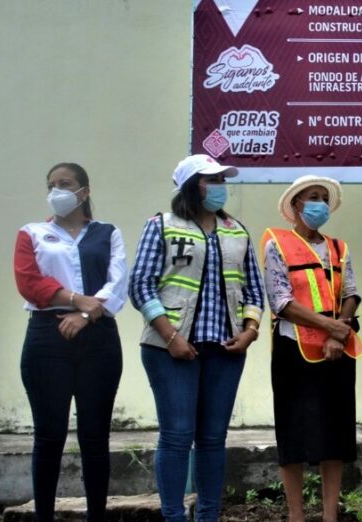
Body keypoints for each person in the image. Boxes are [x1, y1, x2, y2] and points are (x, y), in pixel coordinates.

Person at [129, 154, 265, 522]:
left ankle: (208, 516)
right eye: (212, 180)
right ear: (192, 186)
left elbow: (254, 290)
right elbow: (140, 286)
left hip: (225, 350)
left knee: (212, 440)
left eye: (223, 179)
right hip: (170, 350)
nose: (221, 187)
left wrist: (250, 332)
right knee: (176, 436)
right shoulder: (162, 225)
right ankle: (173, 517)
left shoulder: (237, 231)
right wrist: (170, 335)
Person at [13, 163, 127, 522]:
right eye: (51, 185)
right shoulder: (31, 233)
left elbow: (118, 282)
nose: (57, 191)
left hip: (99, 339)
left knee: (95, 438)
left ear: (84, 191)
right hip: (47, 338)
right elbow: (29, 282)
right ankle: (43, 517)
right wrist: (78, 301)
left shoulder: (108, 233)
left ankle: (98, 516)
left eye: (65, 184)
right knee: (49, 436)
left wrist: (86, 315)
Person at [262, 175, 362, 522]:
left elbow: (350, 293)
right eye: (311, 197)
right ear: (296, 206)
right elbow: (280, 301)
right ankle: (296, 516)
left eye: (323, 197)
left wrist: (339, 331)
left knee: (334, 433)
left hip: (337, 350)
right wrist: (328, 326)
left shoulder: (339, 247)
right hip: (294, 349)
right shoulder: (277, 243)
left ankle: (330, 514)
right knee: (295, 433)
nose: (319, 203)